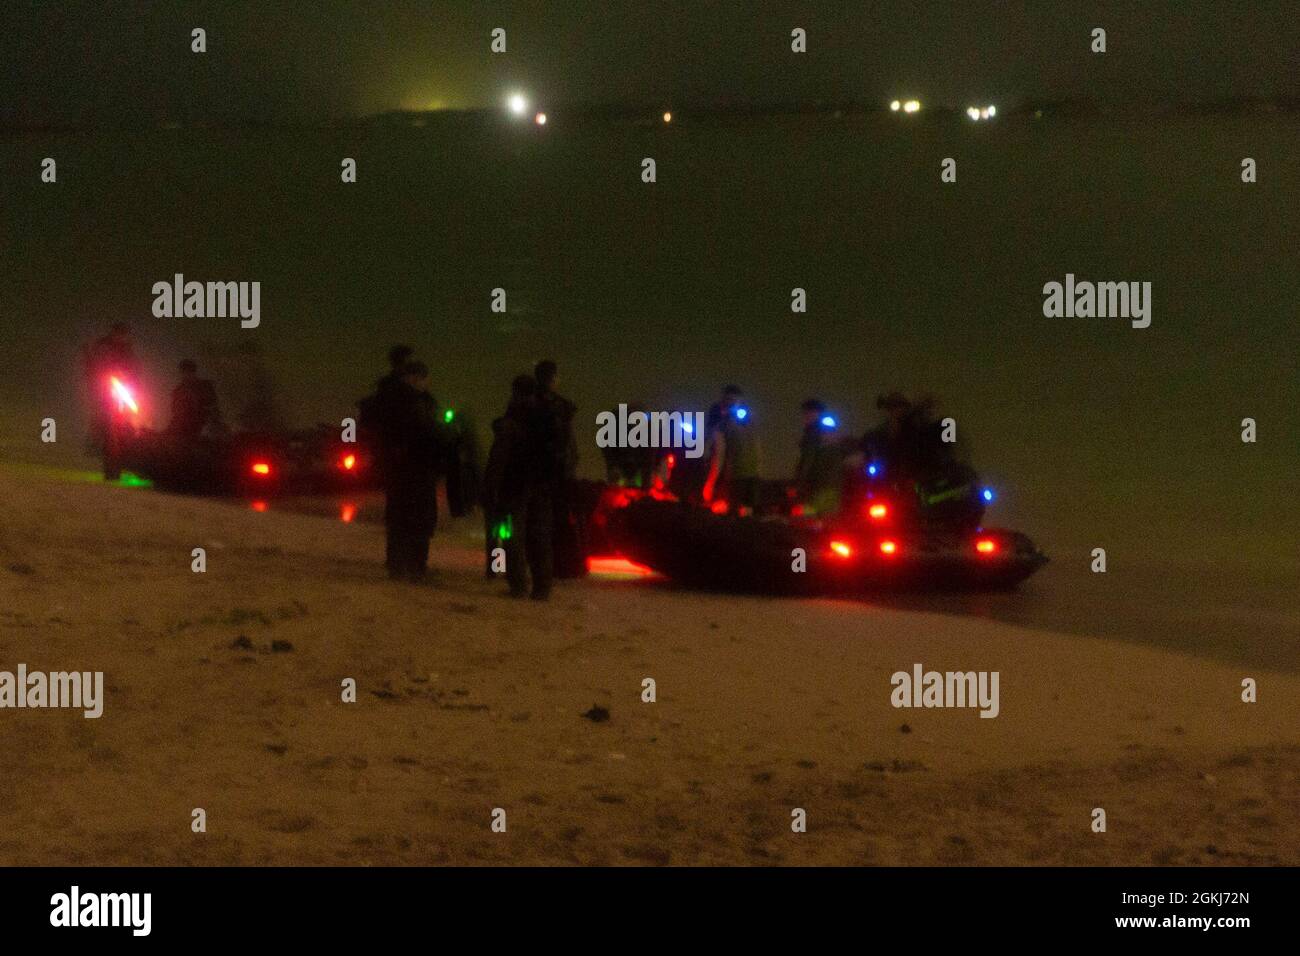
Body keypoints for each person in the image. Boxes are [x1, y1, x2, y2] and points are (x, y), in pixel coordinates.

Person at [485, 374, 557, 599]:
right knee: (540, 538)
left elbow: (499, 458)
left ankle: (516, 584)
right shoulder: (548, 416)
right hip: (542, 485)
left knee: (510, 535)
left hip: (514, 486)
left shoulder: (512, 419)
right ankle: (542, 587)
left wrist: (490, 489)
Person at [380, 360, 442, 583]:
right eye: (425, 378)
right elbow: (420, 433)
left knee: (403, 519)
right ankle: (412, 566)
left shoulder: (401, 400)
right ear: (415, 378)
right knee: (413, 519)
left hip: (408, 469)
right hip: (412, 469)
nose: (428, 383)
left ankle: (405, 565)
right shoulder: (408, 403)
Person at [534, 359, 585, 578]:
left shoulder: (531, 403)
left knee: (544, 523)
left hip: (543, 474)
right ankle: (559, 569)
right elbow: (567, 447)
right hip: (553, 475)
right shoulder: (556, 409)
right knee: (556, 522)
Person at [82, 322, 141, 480]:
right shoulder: (103, 345)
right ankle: (98, 448)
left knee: (131, 420)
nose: (122, 336)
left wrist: (130, 377)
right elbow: (93, 364)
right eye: (119, 333)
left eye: (124, 334)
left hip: (123, 385)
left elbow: (134, 366)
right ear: (114, 332)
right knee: (104, 422)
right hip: (104, 387)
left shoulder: (127, 348)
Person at [702, 386, 760, 513]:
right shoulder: (749, 423)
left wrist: (710, 483)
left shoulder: (722, 426)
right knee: (747, 515)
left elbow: (719, 456)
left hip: (735, 478)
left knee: (728, 516)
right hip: (753, 476)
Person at [793, 398, 845, 515]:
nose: (805, 417)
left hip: (816, 484)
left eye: (807, 413)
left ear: (815, 413)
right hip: (833, 483)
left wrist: (799, 482)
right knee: (830, 520)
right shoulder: (831, 431)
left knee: (811, 519)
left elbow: (808, 460)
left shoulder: (813, 433)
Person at [168, 360, 224, 442]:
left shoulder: (205, 386)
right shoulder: (179, 390)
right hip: (185, 426)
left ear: (193, 372)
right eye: (184, 372)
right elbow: (176, 411)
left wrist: (211, 421)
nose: (186, 375)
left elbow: (213, 405)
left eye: (189, 371)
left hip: (203, 423)